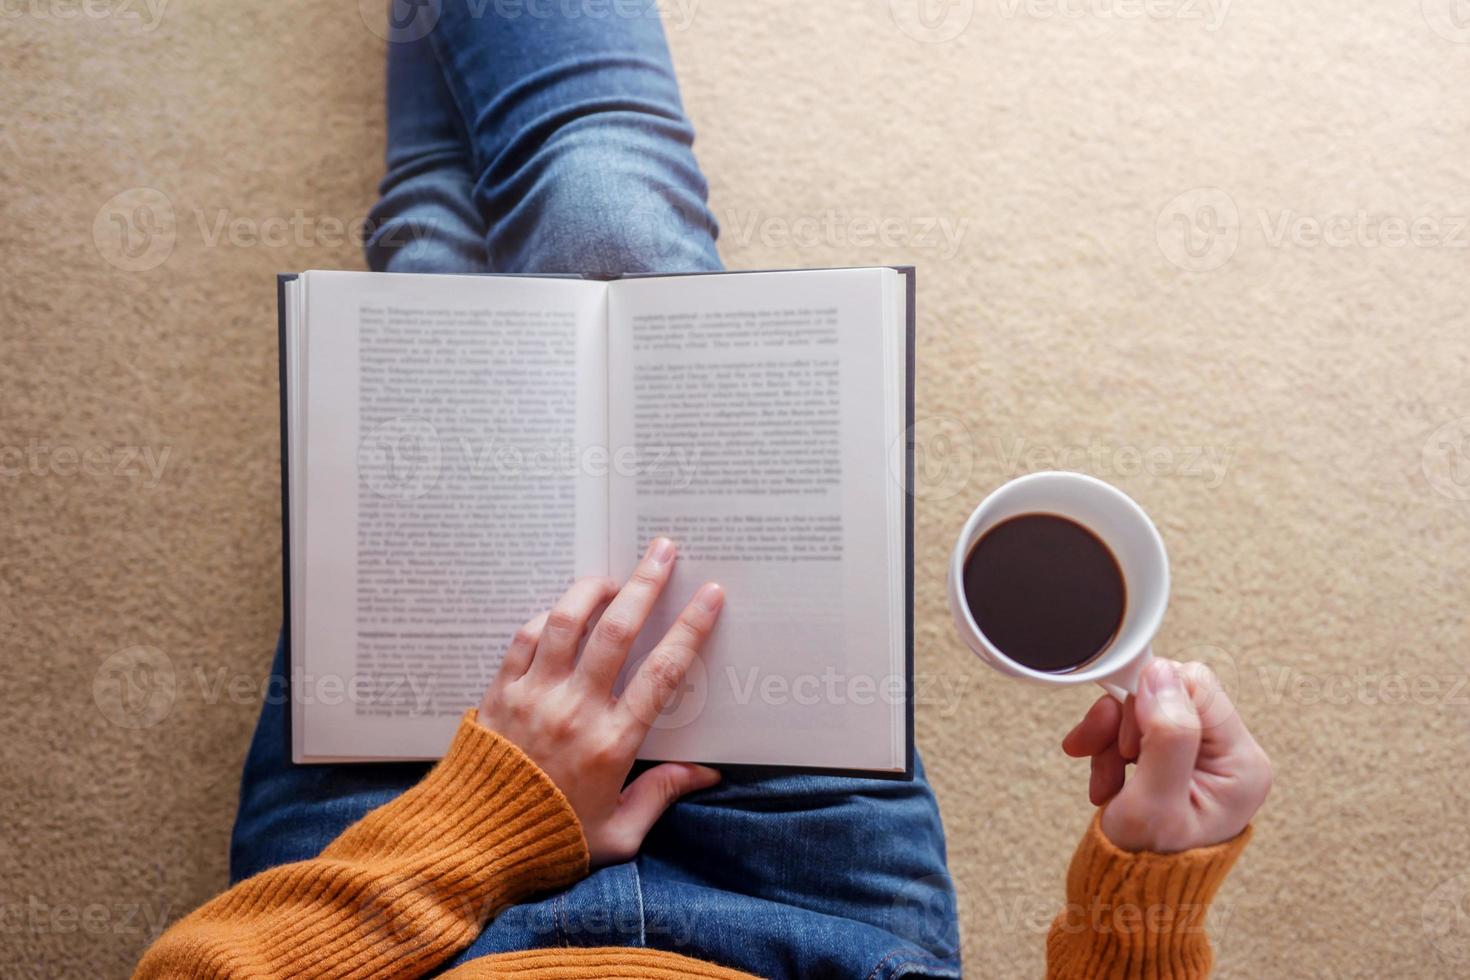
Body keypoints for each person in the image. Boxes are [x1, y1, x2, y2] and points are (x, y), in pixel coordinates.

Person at [134, 7, 1271, 978]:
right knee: (599, 217)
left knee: (434, 290)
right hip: (813, 907)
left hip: (418, 872)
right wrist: (1149, 891)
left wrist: (485, 821)